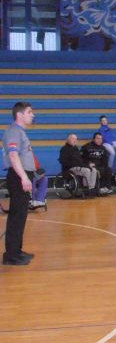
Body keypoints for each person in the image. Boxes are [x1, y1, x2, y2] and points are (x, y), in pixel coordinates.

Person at [3, 102, 36, 266]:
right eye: (29, 112)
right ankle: (11, 256)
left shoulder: (19, 132)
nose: (32, 115)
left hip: (21, 175)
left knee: (20, 215)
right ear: (19, 114)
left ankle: (16, 250)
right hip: (18, 176)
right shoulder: (14, 132)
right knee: (17, 216)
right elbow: (13, 156)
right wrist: (23, 177)